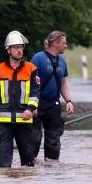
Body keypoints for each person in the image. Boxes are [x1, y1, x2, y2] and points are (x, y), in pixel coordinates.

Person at [0, 30, 40, 168]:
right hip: (4, 124)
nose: (19, 50)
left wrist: (30, 109)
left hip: (24, 122)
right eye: (16, 47)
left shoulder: (31, 69)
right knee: (3, 165)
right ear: (8, 50)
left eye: (21, 47)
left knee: (28, 166)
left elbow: (35, 92)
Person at [30, 30, 73, 162]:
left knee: (54, 138)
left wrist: (69, 101)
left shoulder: (62, 61)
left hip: (54, 104)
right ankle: (30, 164)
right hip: (38, 103)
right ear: (55, 43)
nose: (66, 46)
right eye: (64, 43)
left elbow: (63, 83)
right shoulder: (38, 58)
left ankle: (52, 168)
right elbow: (29, 81)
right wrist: (32, 105)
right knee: (34, 137)